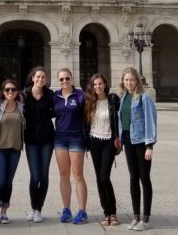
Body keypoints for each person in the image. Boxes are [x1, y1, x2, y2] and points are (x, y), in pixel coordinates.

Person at [120, 66, 157, 231]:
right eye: (126, 80)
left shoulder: (144, 98)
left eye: (132, 80)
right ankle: (136, 216)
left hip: (141, 142)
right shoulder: (124, 98)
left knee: (144, 178)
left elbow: (150, 121)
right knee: (133, 177)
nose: (129, 83)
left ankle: (146, 219)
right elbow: (122, 121)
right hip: (128, 140)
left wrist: (150, 146)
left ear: (137, 81)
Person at [85, 73, 121, 226]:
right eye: (95, 85)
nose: (97, 87)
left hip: (108, 142)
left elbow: (121, 118)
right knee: (99, 178)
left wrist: (119, 138)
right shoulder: (89, 102)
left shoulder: (113, 100)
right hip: (94, 142)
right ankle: (107, 213)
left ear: (105, 84)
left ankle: (112, 211)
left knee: (104, 177)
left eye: (100, 84)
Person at [53, 67, 88, 224]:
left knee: (78, 175)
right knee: (63, 174)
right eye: (61, 79)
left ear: (71, 79)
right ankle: (66, 209)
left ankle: (82, 211)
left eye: (67, 78)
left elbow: (89, 114)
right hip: (60, 138)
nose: (64, 81)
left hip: (76, 138)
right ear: (58, 81)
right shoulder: (55, 96)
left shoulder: (80, 95)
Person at [0, 78, 24, 224]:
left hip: (15, 149)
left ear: (17, 92)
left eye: (13, 89)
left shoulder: (21, 107)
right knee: (0, 181)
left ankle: (4, 211)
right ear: (3, 92)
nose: (10, 92)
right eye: (7, 89)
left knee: (8, 182)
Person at [22, 66, 54, 223]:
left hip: (47, 140)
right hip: (31, 141)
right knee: (35, 176)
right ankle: (33, 207)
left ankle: (38, 209)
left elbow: (58, 111)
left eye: (43, 77)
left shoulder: (50, 95)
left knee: (44, 175)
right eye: (38, 77)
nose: (41, 79)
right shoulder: (24, 95)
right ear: (33, 78)